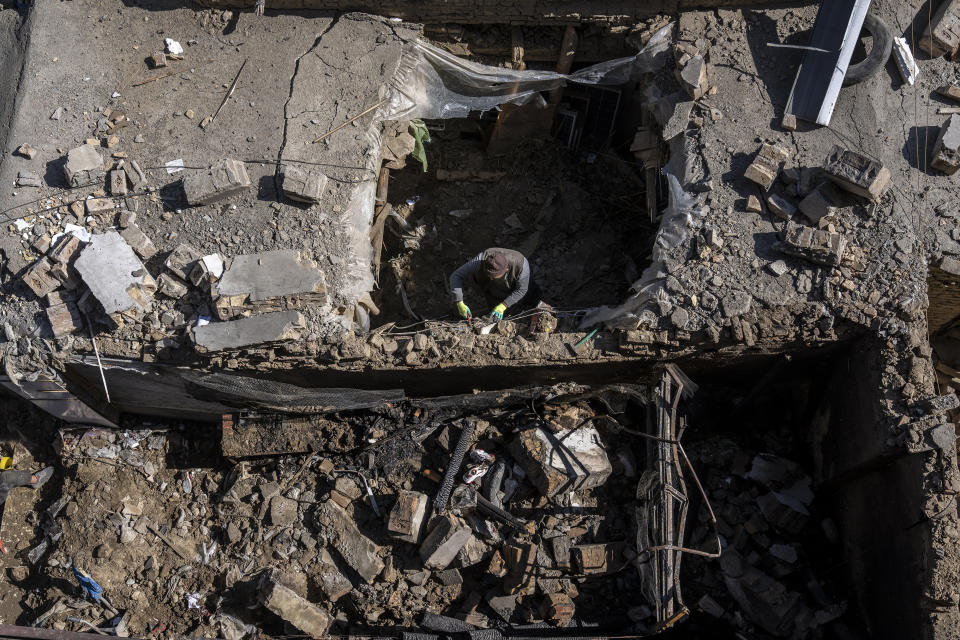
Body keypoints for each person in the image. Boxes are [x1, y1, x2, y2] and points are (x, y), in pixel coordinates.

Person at [450, 248, 541, 321]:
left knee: (531, 294)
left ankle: (536, 306)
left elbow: (521, 290)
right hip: (494, 289)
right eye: (489, 275)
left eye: (494, 276)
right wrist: (459, 302)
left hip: (517, 285)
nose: (491, 278)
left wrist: (503, 305)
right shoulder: (480, 260)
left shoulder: (521, 265)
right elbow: (456, 276)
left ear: (506, 269)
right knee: (494, 309)